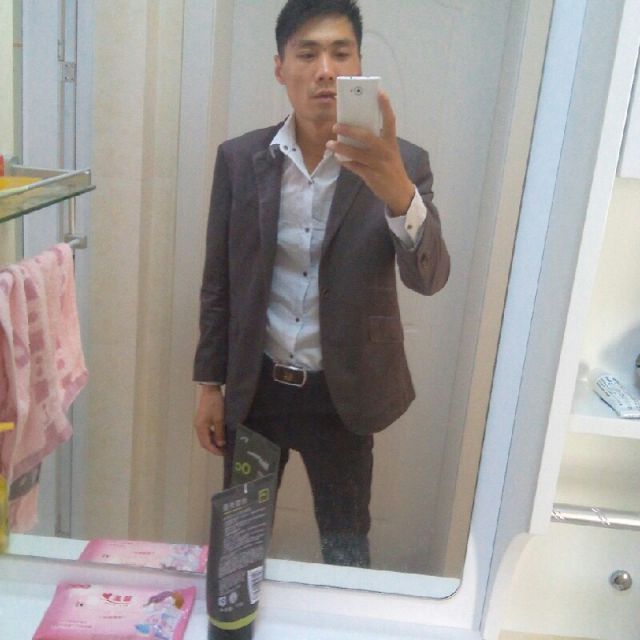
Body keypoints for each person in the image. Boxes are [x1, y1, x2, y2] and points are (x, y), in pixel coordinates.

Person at [193, 0, 450, 568]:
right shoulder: (241, 159)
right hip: (256, 391)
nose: (325, 70)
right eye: (307, 54)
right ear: (280, 68)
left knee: (345, 542)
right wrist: (210, 384)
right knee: (239, 545)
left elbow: (430, 278)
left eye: (340, 53)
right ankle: (235, 615)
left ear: (359, 66)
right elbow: (219, 282)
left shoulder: (403, 163)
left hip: (344, 397)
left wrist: (398, 193)